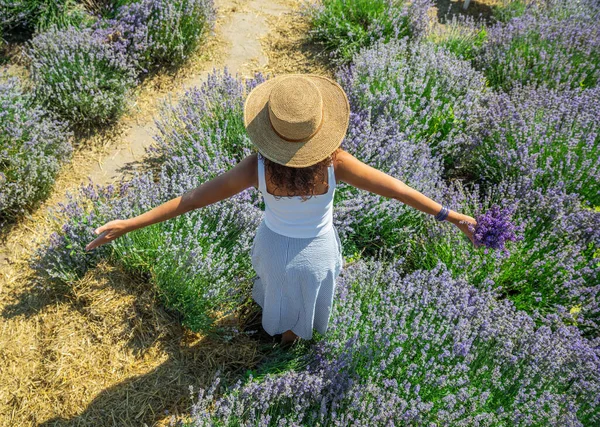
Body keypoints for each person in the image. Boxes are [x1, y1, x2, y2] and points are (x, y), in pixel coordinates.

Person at [85, 74, 477, 347]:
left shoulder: (255, 168)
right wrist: (452, 216)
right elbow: (398, 190)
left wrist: (131, 223)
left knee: (277, 292)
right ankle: (288, 349)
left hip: (273, 247)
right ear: (320, 130)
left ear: (271, 134)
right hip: (318, 252)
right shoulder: (336, 165)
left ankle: (275, 333)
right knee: (302, 308)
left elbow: (191, 200)